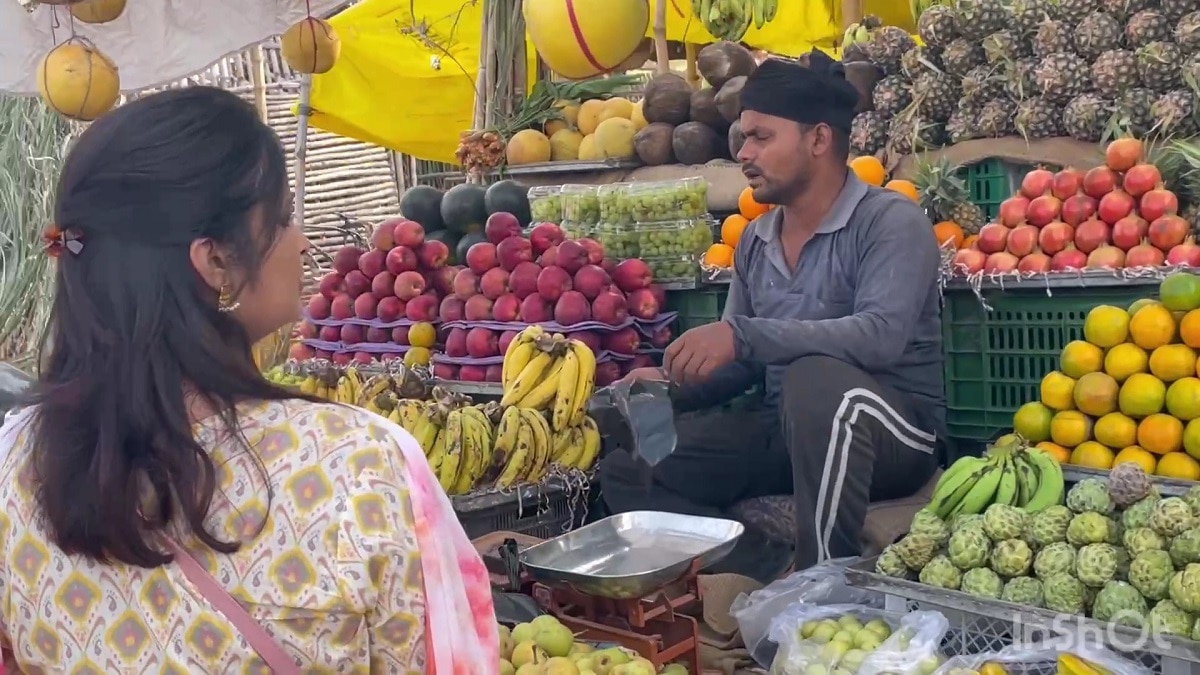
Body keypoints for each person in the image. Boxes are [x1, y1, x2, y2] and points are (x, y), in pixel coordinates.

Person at [0, 87, 498, 673]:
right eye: (282, 217)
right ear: (214, 261)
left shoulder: (14, 465)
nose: (302, 239)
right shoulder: (359, 467)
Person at [599, 52, 944, 576]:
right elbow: (744, 365)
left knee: (815, 378)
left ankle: (826, 578)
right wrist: (671, 384)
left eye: (762, 137)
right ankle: (766, 569)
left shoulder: (890, 221)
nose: (744, 152)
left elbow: (881, 336)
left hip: (892, 436)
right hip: (786, 428)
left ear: (819, 140)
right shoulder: (757, 240)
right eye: (742, 136)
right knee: (632, 465)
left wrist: (742, 336)